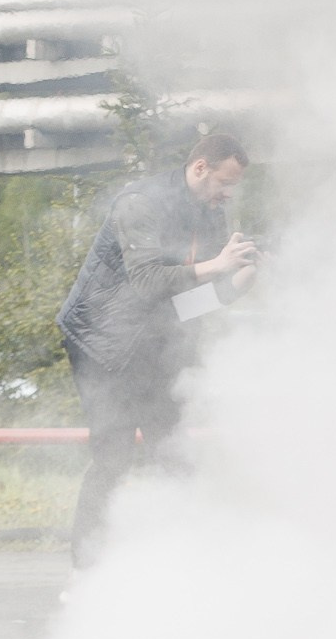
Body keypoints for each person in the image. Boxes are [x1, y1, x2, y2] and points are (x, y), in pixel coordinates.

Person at [55, 130, 259, 565]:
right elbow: (148, 283)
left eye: (233, 186)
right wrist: (215, 267)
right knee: (114, 455)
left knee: (173, 451)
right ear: (200, 168)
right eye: (224, 182)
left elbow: (186, 300)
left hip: (154, 336)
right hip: (102, 341)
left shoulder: (209, 213)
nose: (227, 193)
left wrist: (231, 289)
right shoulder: (140, 203)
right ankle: (86, 569)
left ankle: (173, 562)